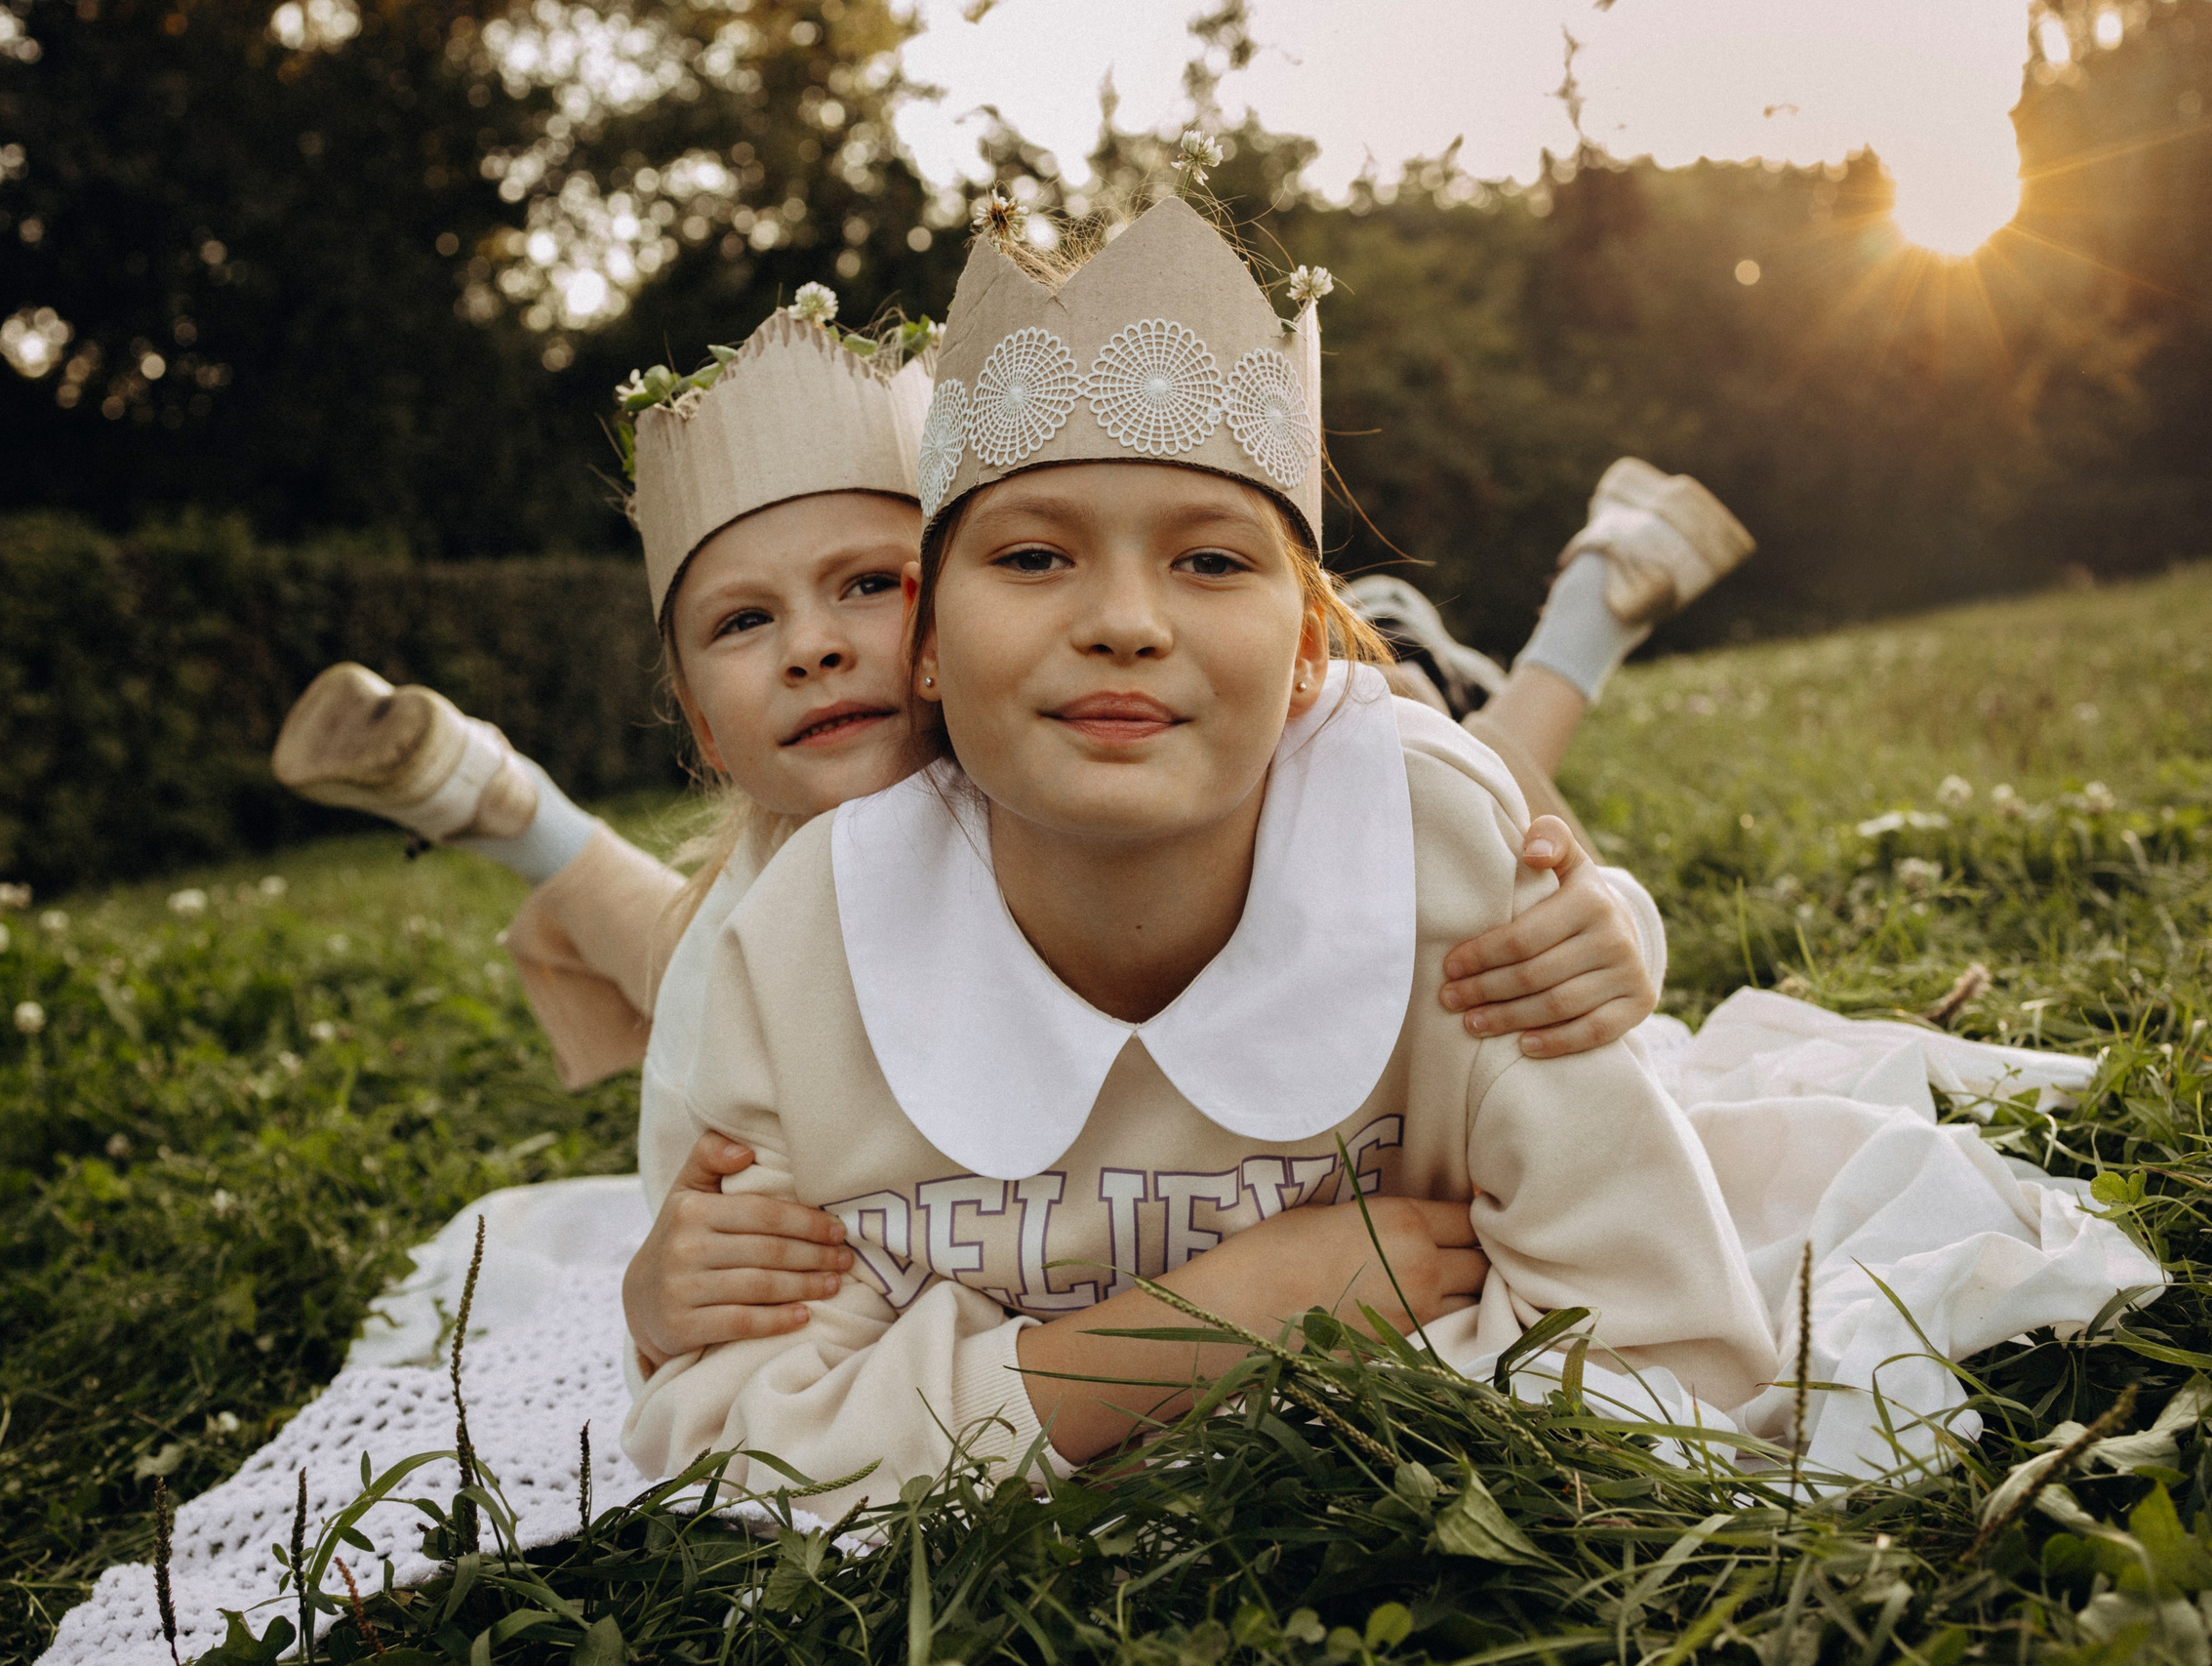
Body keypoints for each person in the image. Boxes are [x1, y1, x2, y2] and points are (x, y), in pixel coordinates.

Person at [273, 310, 1752, 1372]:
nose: (819, 649)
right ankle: (489, 799)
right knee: (684, 948)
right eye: (745, 623)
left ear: (932, 626)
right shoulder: (767, 939)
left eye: (870, 585)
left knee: (1430, 724)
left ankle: (1589, 601)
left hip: (1360, 695)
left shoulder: (1254, 746)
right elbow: (725, 1241)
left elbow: (1493, 868)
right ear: (701, 727)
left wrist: (1613, 925)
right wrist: (660, 1293)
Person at [619, 196, 1783, 1509]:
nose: (1125, 620)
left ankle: (1584, 602)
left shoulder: (1433, 846)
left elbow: (1672, 1362)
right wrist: (1221, 1323)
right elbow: (732, 1453)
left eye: (1214, 560)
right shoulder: (794, 946)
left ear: (1308, 654)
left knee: (1471, 744)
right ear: (928, 646)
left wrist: (1610, 926)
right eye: (1036, 554)